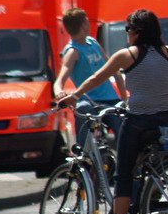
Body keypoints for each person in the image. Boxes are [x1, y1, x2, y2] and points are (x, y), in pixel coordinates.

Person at [58, 9, 168, 214]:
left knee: (123, 174)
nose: (127, 34)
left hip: (137, 122)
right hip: (164, 121)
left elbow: (97, 79)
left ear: (136, 32)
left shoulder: (127, 55)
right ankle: (144, 204)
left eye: (127, 29)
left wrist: (74, 95)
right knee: (148, 165)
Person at [54, 7, 126, 138]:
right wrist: (59, 92)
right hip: (89, 101)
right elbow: (59, 81)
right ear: (84, 25)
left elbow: (114, 69)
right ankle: (83, 153)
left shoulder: (92, 42)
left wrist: (124, 99)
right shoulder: (72, 52)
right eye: (87, 21)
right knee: (82, 110)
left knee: (124, 132)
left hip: (110, 99)